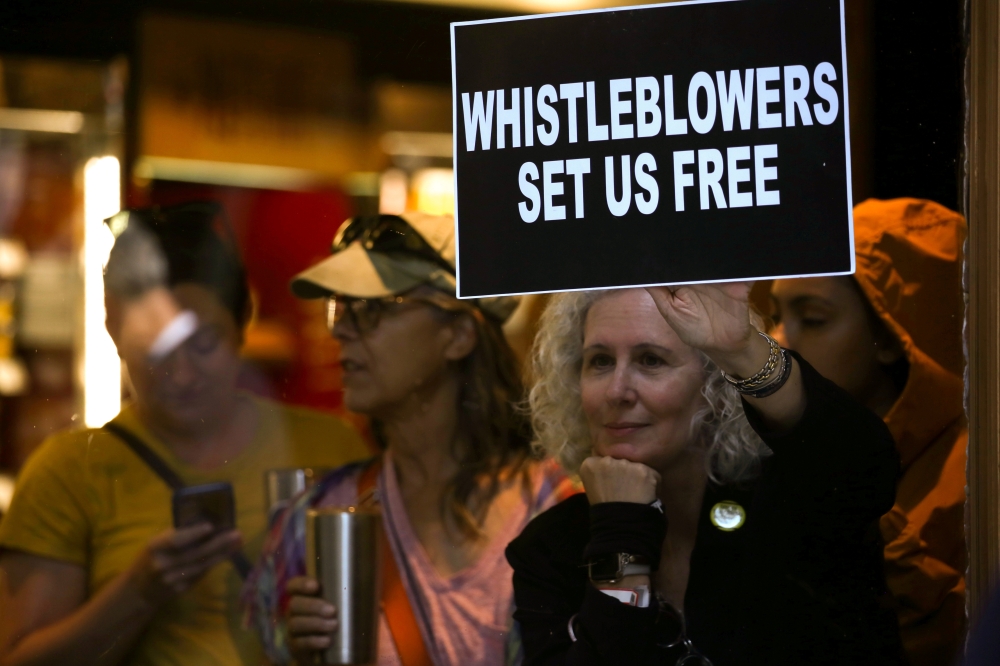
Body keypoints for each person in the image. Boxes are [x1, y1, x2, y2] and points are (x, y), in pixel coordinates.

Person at [0, 202, 369, 666]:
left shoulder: (334, 448)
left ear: (241, 326)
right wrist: (138, 592)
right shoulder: (68, 473)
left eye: (203, 342)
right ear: (113, 329)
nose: (181, 372)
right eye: (156, 346)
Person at [243, 212, 577, 666]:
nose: (339, 329)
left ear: (458, 334)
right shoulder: (312, 521)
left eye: (373, 309)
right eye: (339, 307)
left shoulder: (557, 508)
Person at [507, 283, 902, 665]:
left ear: (714, 385)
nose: (616, 391)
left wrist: (743, 351)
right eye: (600, 361)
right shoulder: (551, 547)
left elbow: (866, 465)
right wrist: (620, 532)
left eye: (650, 360)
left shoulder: (790, 501)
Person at [770, 198, 967, 666]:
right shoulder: (773, 450)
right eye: (776, 314)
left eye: (813, 319)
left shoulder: (974, 476)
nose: (778, 340)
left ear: (891, 335)